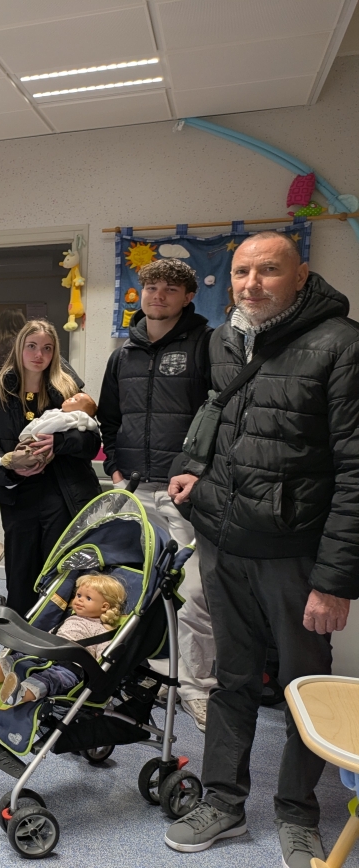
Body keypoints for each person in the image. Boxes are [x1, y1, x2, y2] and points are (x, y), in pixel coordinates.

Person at [164, 232, 359, 867]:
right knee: (233, 679)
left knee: (305, 686)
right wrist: (193, 468)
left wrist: (334, 581)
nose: (251, 284)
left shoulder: (342, 345)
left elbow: (356, 471)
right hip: (224, 541)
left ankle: (298, 813)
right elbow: (218, 417)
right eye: (242, 272)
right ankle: (223, 801)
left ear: (300, 275)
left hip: (295, 555)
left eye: (268, 271)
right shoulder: (225, 340)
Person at [96, 258, 216, 732]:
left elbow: (219, 415)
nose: (158, 295)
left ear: (188, 297)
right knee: (128, 588)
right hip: (132, 487)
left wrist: (198, 471)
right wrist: (114, 463)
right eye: (151, 287)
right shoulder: (122, 355)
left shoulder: (206, 345)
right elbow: (109, 417)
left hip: (183, 490)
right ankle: (132, 672)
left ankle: (196, 688)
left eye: (170, 288)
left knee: (194, 593)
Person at [0, 321, 101, 616]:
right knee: (20, 574)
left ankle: (55, 637)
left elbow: (92, 443)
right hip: (19, 497)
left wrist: (60, 442)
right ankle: (18, 638)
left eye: (47, 348)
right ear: (19, 348)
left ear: (55, 353)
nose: (38, 355)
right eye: (31, 346)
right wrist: (11, 467)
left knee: (59, 573)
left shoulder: (70, 392)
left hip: (62, 495)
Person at [0, 573, 125, 706]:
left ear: (104, 607)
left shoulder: (102, 630)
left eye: (88, 598)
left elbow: (103, 658)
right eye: (78, 595)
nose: (79, 600)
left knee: (50, 679)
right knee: (17, 658)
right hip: (48, 655)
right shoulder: (71, 618)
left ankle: (20, 694)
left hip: (71, 668)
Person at [0, 391, 97, 472]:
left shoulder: (70, 416)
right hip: (33, 444)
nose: (70, 398)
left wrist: (60, 440)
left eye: (75, 400)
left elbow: (92, 443)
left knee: (29, 457)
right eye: (72, 397)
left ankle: (6, 462)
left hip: (43, 449)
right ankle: (10, 476)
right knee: (23, 453)